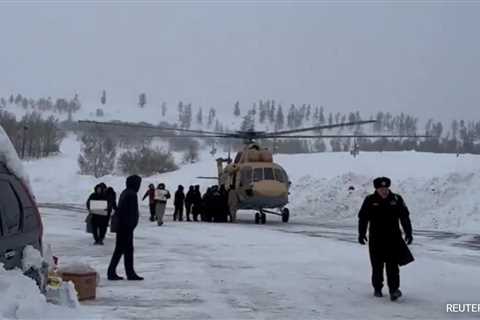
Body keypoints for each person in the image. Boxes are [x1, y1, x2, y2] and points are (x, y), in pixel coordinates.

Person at [358, 176, 414, 301]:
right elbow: (363, 218)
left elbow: (404, 217)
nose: (384, 190)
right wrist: (361, 234)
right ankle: (377, 288)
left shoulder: (396, 199)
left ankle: (394, 290)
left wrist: (408, 233)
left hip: (393, 239)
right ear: (376, 189)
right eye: (381, 188)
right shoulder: (370, 200)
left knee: (393, 266)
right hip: (376, 239)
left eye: (386, 188)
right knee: (377, 266)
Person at [107, 175, 143, 281]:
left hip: (124, 226)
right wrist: (131, 225)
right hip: (126, 227)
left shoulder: (125, 192)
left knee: (126, 250)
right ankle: (113, 272)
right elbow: (130, 213)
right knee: (121, 250)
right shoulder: (131, 194)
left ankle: (128, 272)